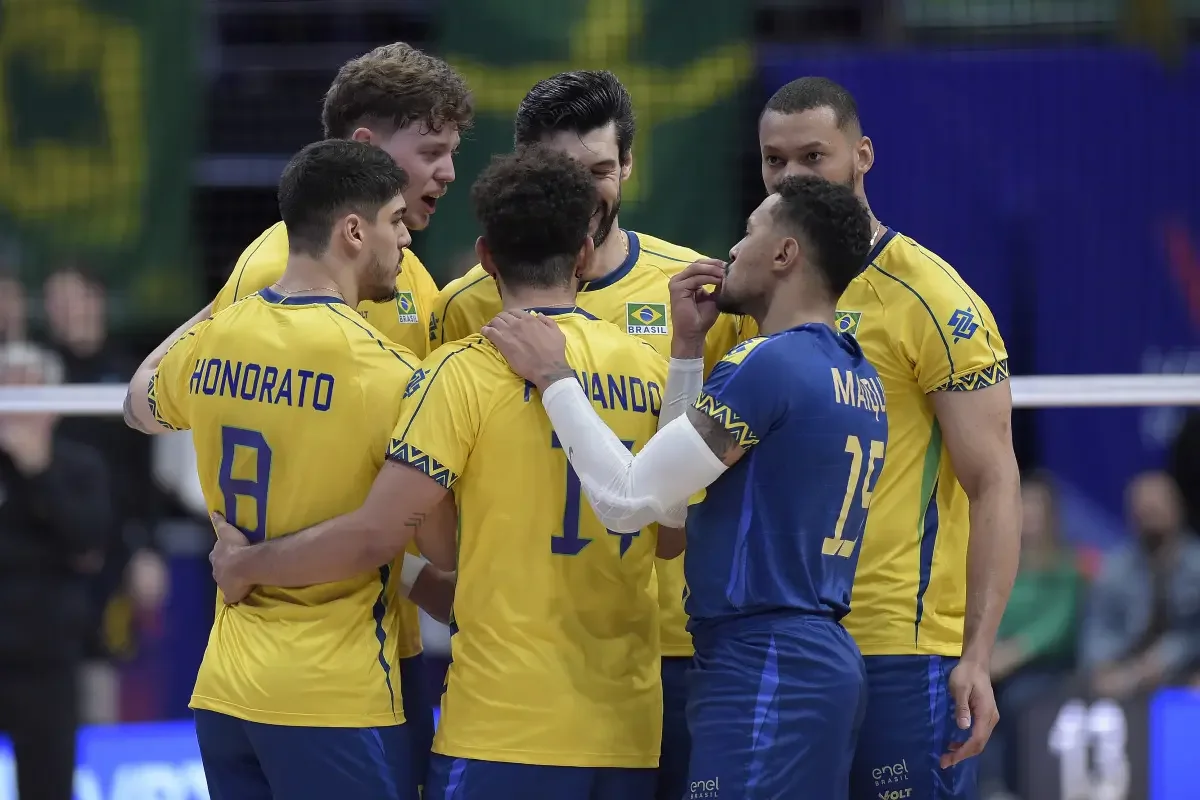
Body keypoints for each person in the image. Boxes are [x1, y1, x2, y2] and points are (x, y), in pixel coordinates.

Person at [207, 146, 681, 800]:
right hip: (628, 729)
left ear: (486, 259)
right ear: (583, 255)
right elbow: (673, 537)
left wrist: (248, 564)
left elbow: (393, 535)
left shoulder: (456, 374)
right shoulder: (652, 372)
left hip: (503, 727)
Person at [482, 175, 884, 797]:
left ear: (784, 256)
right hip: (807, 656)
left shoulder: (769, 362)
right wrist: (688, 351)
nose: (731, 252)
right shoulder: (854, 371)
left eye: (749, 233)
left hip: (766, 659)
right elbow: (672, 509)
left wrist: (555, 376)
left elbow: (624, 503)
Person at [429, 70, 743, 799]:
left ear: (629, 165)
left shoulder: (696, 297)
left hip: (671, 645)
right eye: (566, 175)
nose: (587, 194)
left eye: (602, 171)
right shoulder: (466, 307)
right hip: (518, 668)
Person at [123, 139, 423, 800]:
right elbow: (437, 543)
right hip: (329, 696)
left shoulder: (215, 341)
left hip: (226, 689)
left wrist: (213, 316)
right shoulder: (391, 373)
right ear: (353, 230)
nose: (406, 238)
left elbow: (137, 403)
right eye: (396, 221)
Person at [207, 41, 473, 786]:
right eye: (431, 151)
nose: (447, 172)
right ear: (365, 149)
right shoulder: (271, 270)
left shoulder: (406, 268)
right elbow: (150, 403)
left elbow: (153, 391)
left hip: (373, 641)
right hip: (330, 675)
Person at [754, 77, 1022, 798]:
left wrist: (978, 654)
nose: (792, 178)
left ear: (862, 155)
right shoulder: (756, 291)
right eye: (775, 162)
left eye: (814, 156)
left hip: (898, 648)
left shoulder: (933, 299)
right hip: (784, 641)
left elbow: (994, 481)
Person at [0, 341, 111, 800]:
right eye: (10, 392)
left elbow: (88, 544)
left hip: (48, 657)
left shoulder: (79, 467)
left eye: (32, 393)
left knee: (48, 785)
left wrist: (36, 470)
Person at [1081, 471, 1200, 699]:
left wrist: (1164, 659)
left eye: (1157, 508)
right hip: (1127, 673)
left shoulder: (1197, 565)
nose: (1150, 515)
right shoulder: (1114, 569)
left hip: (1186, 669)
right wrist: (1103, 669)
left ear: (1178, 509)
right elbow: (1098, 629)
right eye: (1144, 510)